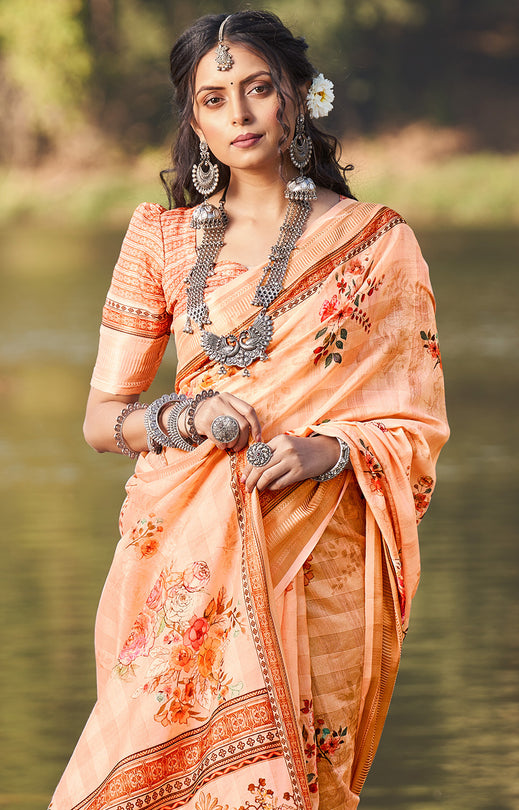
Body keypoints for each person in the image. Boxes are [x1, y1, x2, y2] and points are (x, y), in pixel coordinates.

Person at [49, 10, 449, 810]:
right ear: (192, 119)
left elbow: (417, 421)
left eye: (258, 88)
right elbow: (103, 421)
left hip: (320, 550)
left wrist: (329, 450)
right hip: (181, 559)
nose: (238, 114)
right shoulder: (159, 240)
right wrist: (184, 418)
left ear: (297, 98)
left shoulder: (377, 241)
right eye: (213, 98)